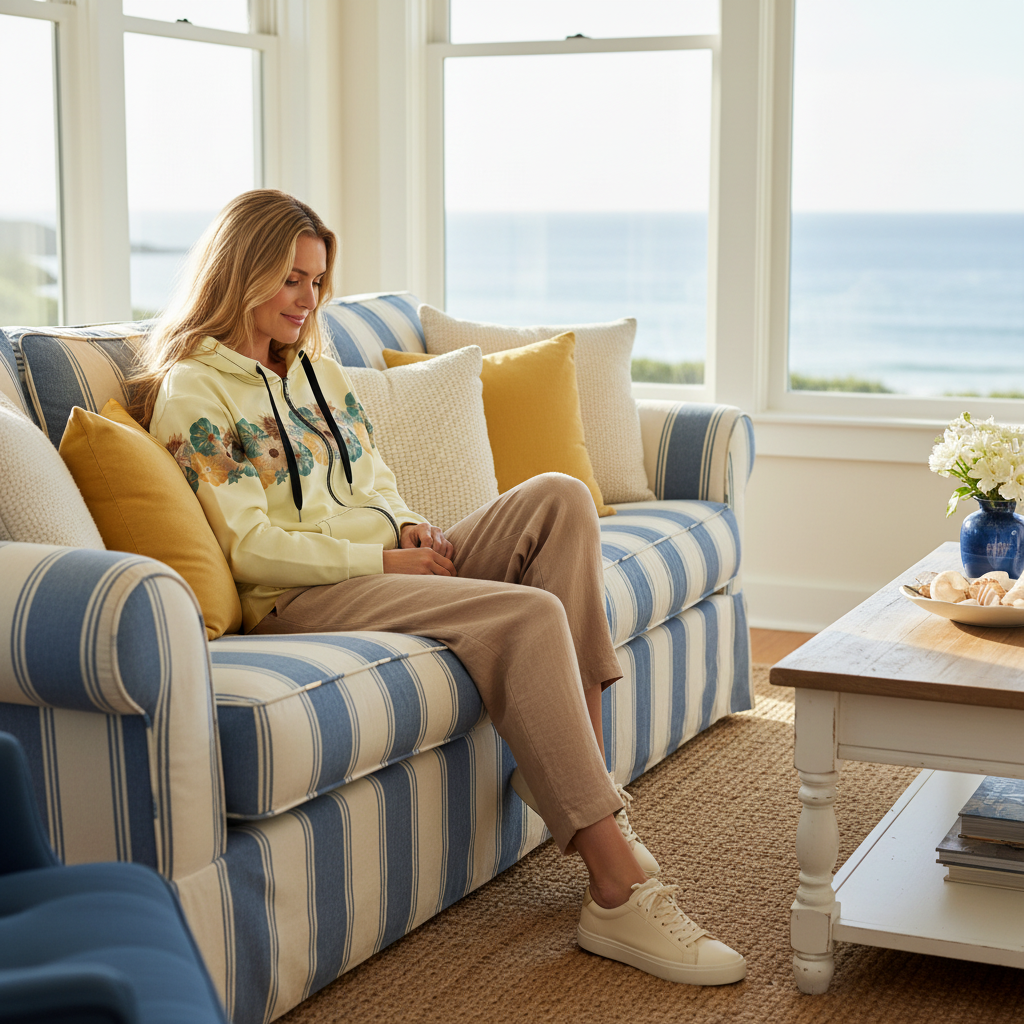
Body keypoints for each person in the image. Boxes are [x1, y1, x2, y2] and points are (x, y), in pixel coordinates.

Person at [130, 189, 746, 987]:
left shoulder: (317, 369)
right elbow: (250, 547)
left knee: (558, 496)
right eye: (289, 280)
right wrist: (384, 563)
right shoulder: (196, 391)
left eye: (315, 282)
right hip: (297, 599)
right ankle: (615, 889)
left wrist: (413, 527)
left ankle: (574, 765)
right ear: (240, 273)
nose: (306, 299)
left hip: (382, 560)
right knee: (526, 615)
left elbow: (374, 478)